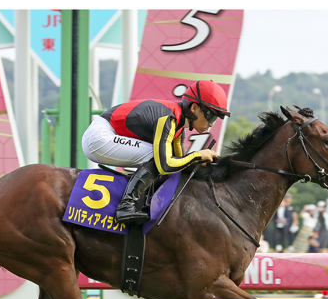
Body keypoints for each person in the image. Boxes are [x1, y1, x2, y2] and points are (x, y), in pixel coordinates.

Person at [81, 80, 229, 224]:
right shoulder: (168, 118)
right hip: (99, 136)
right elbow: (165, 165)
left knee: (164, 157)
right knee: (157, 156)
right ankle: (126, 206)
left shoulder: (178, 126)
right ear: (194, 107)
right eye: (210, 116)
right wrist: (197, 155)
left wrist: (203, 162)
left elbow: (180, 164)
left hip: (105, 135)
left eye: (216, 118)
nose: (211, 124)